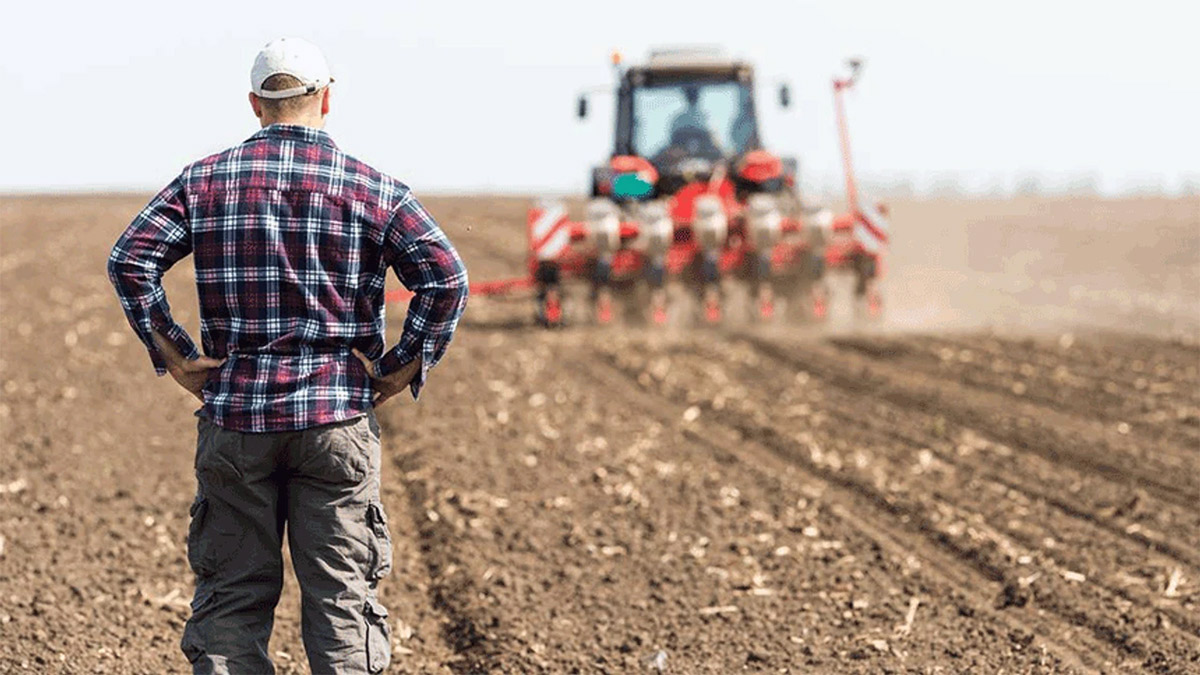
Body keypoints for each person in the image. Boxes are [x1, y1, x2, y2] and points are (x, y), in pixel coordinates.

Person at [107, 37, 468, 674]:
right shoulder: (374, 189)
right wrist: (399, 369)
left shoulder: (203, 182)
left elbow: (130, 259)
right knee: (342, 605)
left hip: (236, 421)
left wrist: (179, 357)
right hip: (336, 421)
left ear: (255, 103)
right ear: (327, 98)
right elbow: (447, 278)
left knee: (231, 601)